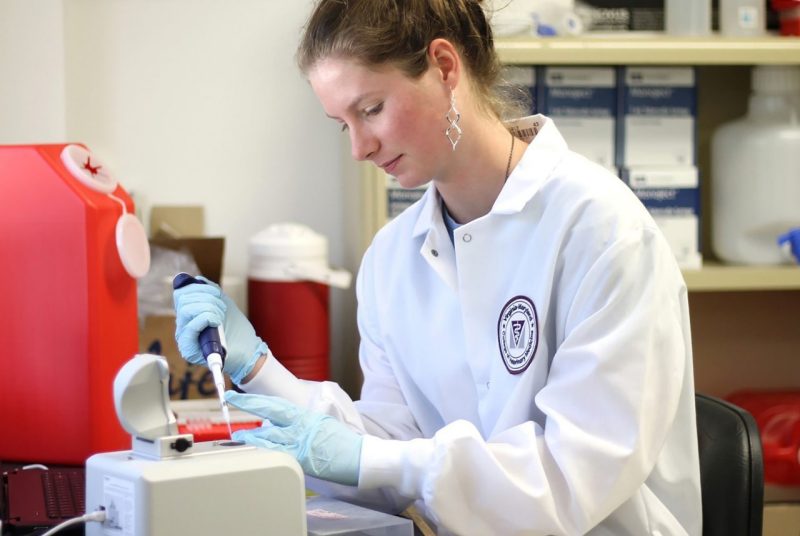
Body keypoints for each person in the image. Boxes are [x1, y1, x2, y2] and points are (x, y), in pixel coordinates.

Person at [172, 0, 702, 534]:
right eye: (342, 125)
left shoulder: (603, 232)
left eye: (372, 109)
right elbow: (387, 452)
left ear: (445, 67)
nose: (360, 148)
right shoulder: (391, 258)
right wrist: (257, 370)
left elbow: (570, 479)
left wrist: (371, 460)